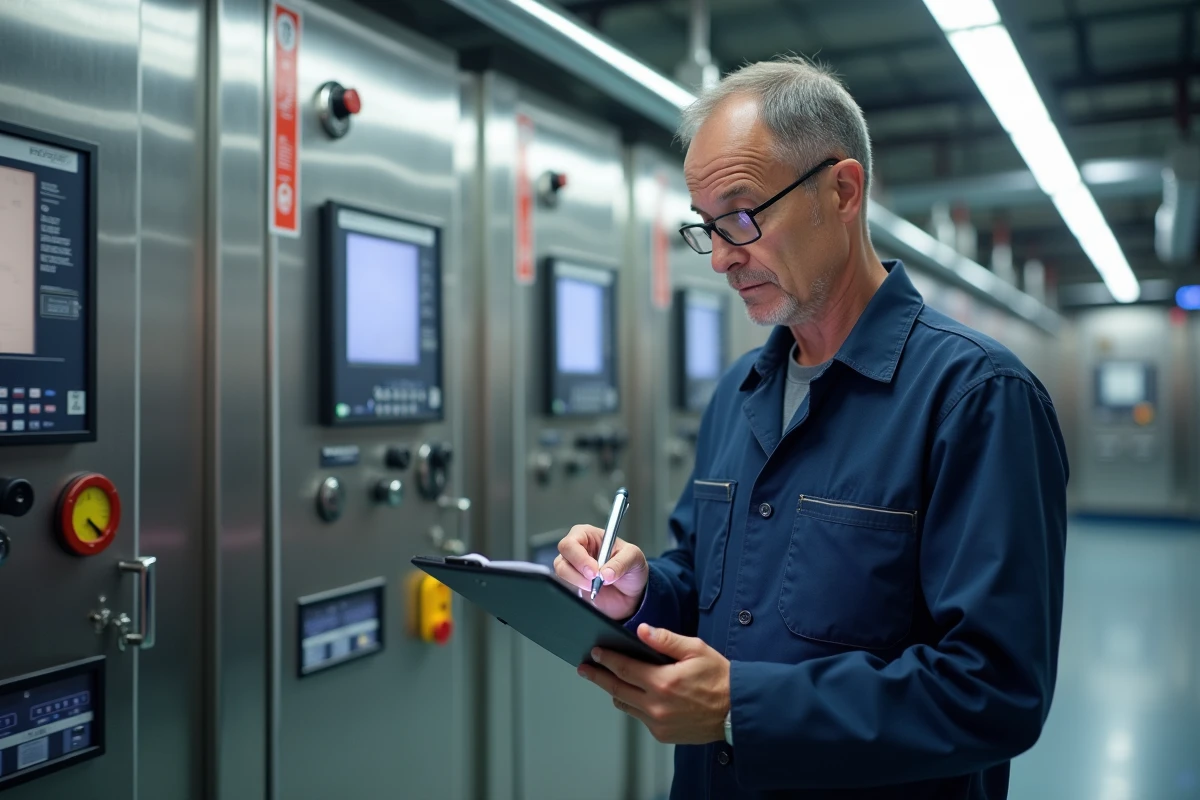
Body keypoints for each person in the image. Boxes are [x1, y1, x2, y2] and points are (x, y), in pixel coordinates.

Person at [554, 56, 1068, 799]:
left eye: (741, 214)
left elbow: (995, 690)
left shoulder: (977, 398)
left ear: (843, 191)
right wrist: (638, 593)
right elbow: (704, 585)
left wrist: (744, 708)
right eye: (708, 228)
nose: (725, 256)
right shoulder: (741, 391)